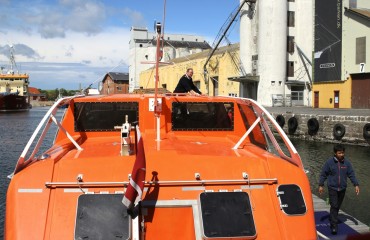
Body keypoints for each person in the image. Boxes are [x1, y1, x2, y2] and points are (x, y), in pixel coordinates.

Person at [318, 144, 360, 235]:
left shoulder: (347, 163)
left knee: (337, 206)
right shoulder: (329, 162)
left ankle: (333, 216)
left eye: (343, 153)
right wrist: (321, 185)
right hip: (332, 188)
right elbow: (323, 174)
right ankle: (334, 226)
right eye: (339, 153)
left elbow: (351, 174)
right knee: (334, 205)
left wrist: (356, 185)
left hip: (342, 189)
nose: (341, 154)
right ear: (335, 153)